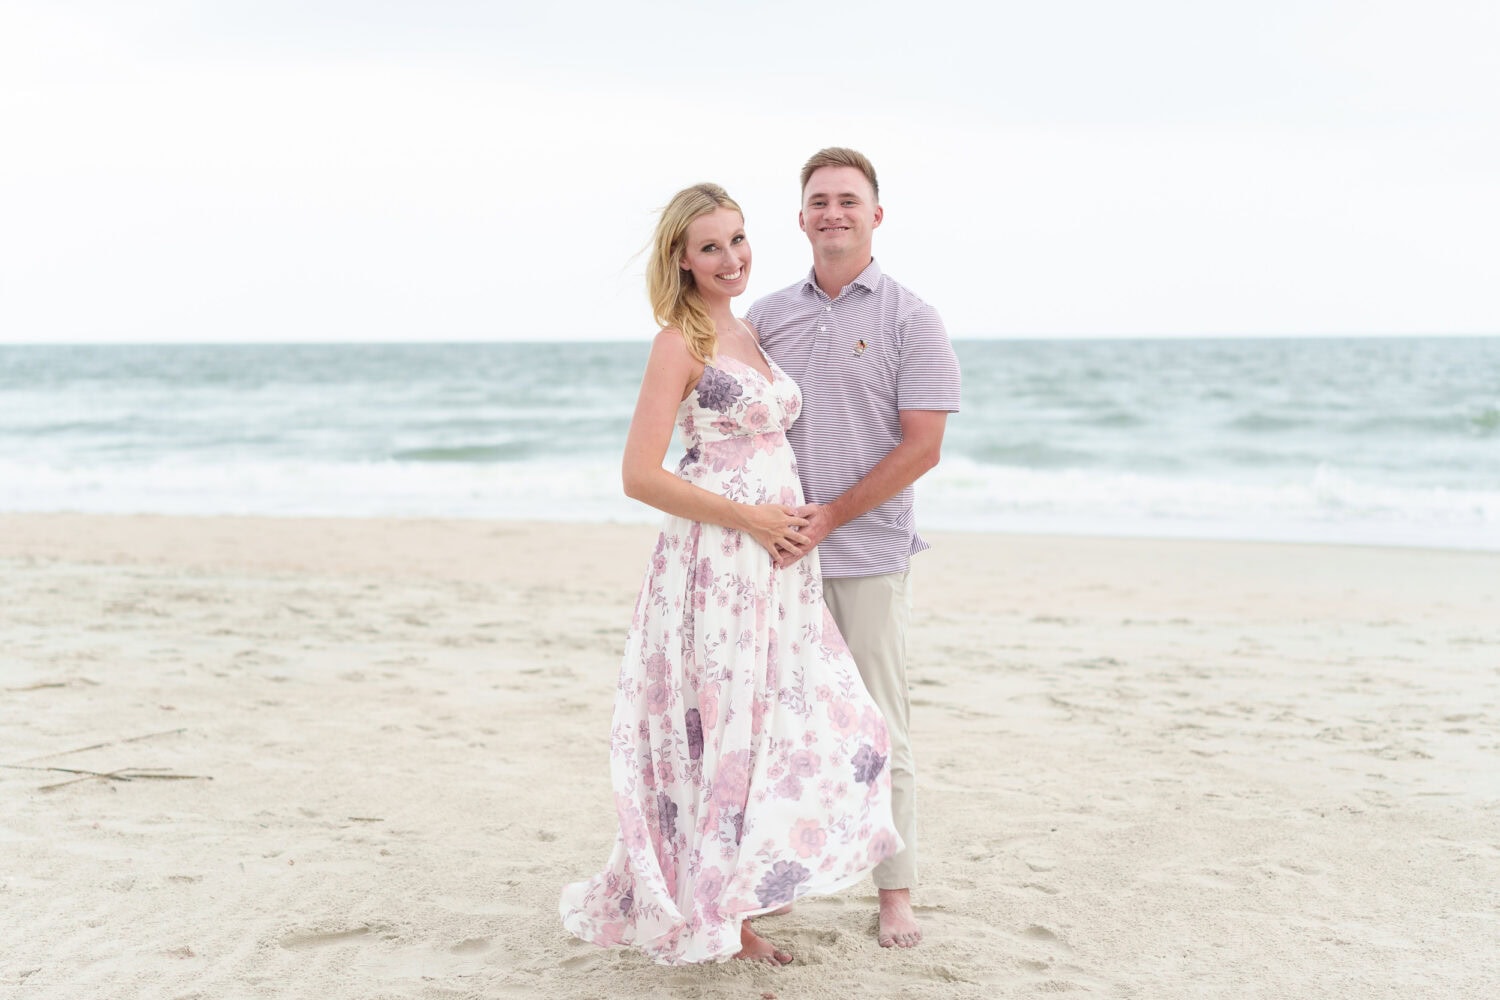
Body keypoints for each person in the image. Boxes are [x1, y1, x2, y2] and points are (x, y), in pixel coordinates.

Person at [559, 183, 902, 966]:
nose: (732, 257)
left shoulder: (751, 333)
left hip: (778, 568)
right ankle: (725, 916)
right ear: (681, 259)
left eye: (739, 239)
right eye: (711, 246)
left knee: (820, 718)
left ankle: (743, 886)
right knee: (729, 725)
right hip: (717, 561)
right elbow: (639, 476)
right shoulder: (678, 342)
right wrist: (751, 519)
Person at [746, 148, 962, 949]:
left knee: (880, 728)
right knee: (777, 725)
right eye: (818, 200)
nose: (832, 211)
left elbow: (923, 448)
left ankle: (895, 894)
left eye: (848, 199)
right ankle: (781, 877)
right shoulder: (767, 317)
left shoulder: (912, 318)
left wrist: (831, 516)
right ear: (800, 218)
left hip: (866, 551)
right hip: (775, 558)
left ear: (876, 215)